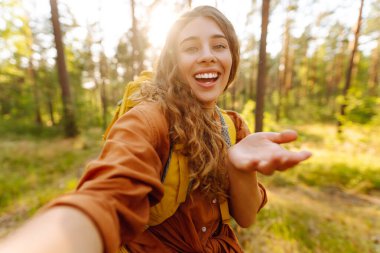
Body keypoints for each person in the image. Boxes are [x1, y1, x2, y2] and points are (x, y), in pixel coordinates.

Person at [0, 5, 311, 253]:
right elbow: (107, 196)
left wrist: (239, 168)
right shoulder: (150, 119)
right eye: (191, 48)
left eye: (219, 45)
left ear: (232, 57)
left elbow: (246, 218)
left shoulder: (232, 125)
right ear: (173, 61)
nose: (207, 55)